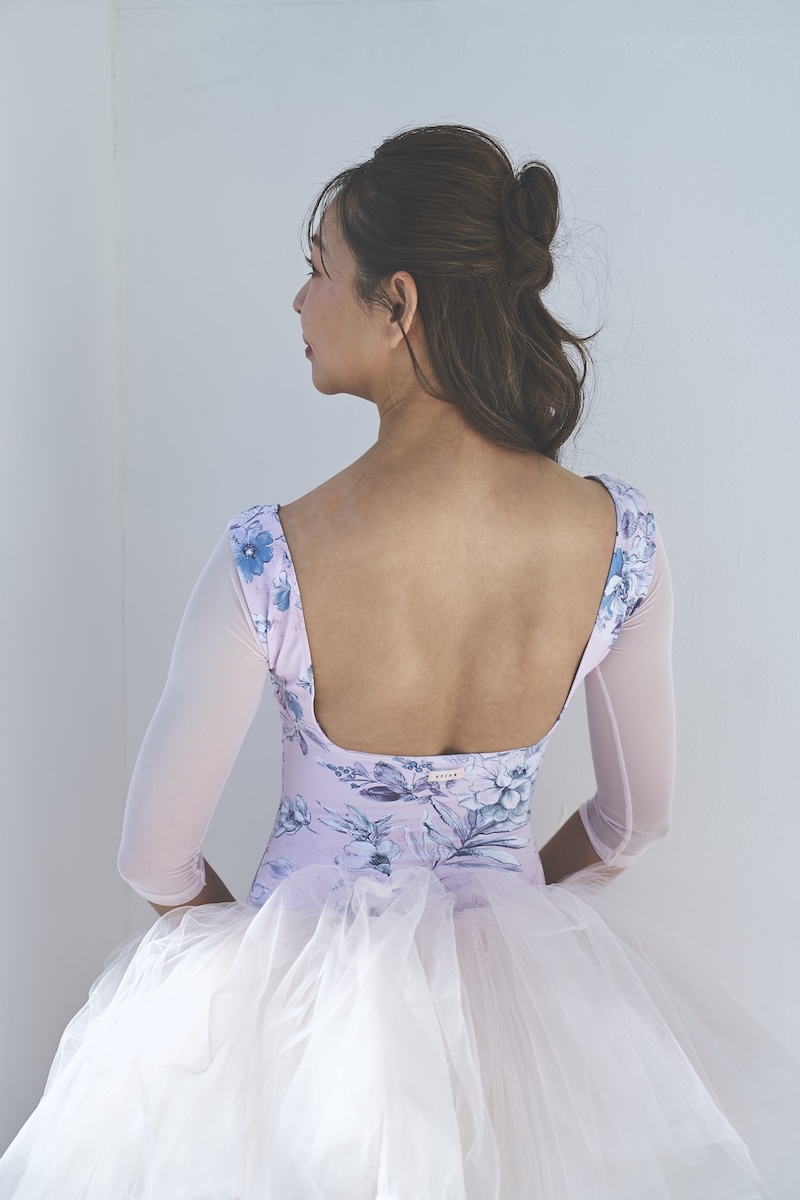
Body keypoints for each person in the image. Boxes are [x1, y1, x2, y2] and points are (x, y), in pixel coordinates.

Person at [2, 123, 798, 1199]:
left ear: (398, 303)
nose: (299, 301)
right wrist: (506, 917)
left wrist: (265, 977)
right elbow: (633, 821)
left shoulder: (270, 557)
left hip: (306, 1061)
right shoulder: (622, 542)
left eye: (318, 267)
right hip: (527, 1047)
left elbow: (154, 859)